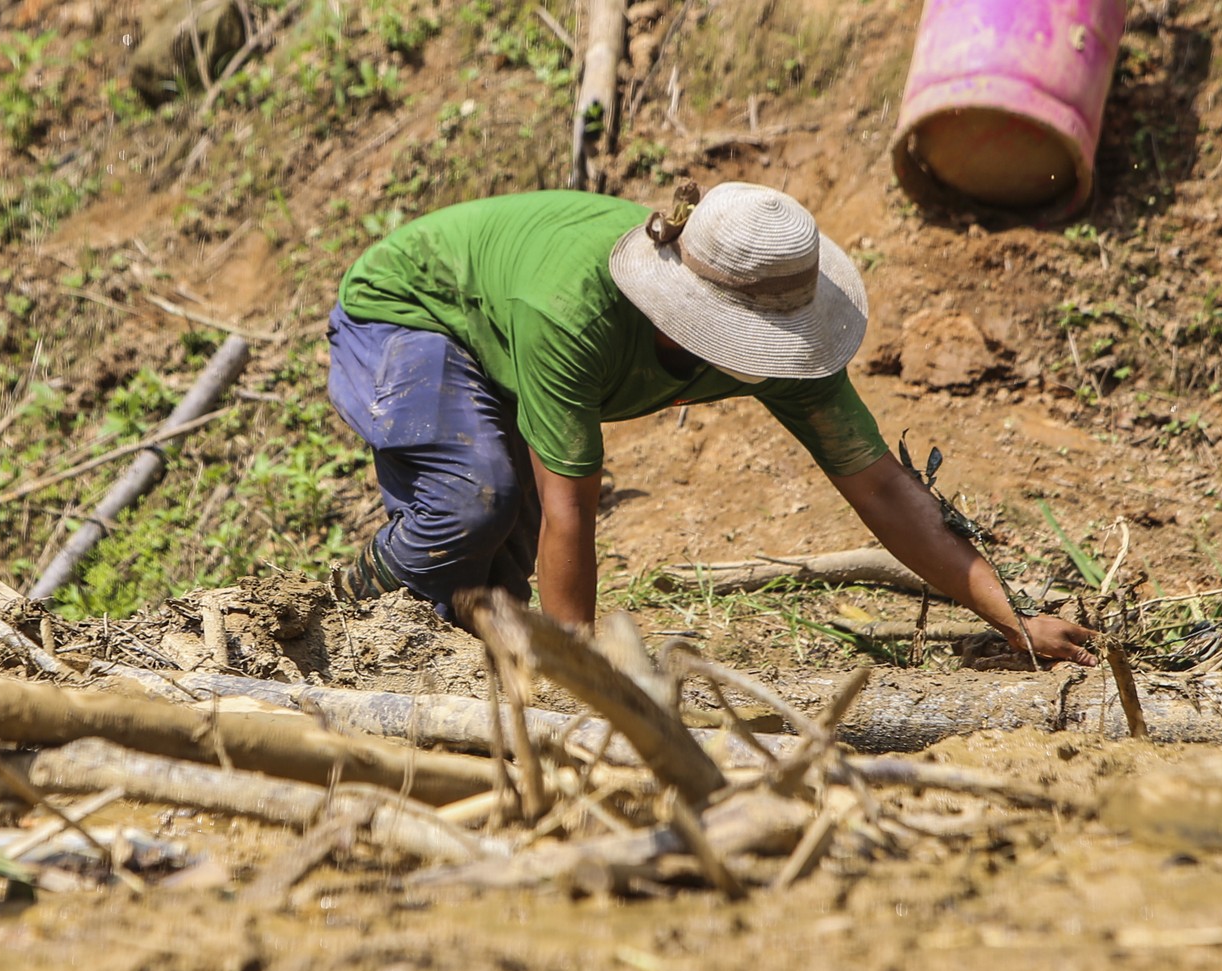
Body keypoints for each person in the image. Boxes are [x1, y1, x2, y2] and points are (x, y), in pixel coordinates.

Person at [324, 181, 1097, 666]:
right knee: (471, 503)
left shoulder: (782, 339)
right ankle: (336, 613)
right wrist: (589, 686)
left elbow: (885, 489)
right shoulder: (574, 313)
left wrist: (1015, 619)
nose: (755, 359)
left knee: (486, 596)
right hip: (412, 313)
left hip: (500, 333)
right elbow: (571, 511)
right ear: (687, 310)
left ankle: (413, 660)